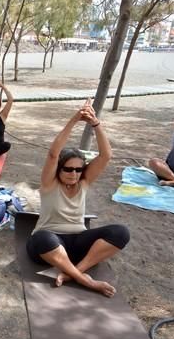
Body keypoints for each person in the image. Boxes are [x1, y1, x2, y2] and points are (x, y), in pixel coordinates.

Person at [26, 99, 130, 298]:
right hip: (50, 245)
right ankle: (85, 280)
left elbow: (106, 156)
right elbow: (53, 153)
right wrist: (75, 119)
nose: (73, 174)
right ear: (60, 168)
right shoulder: (50, 183)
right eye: (68, 169)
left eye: (78, 170)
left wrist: (95, 123)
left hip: (77, 244)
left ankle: (73, 273)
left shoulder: (84, 182)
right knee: (41, 238)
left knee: (121, 232)